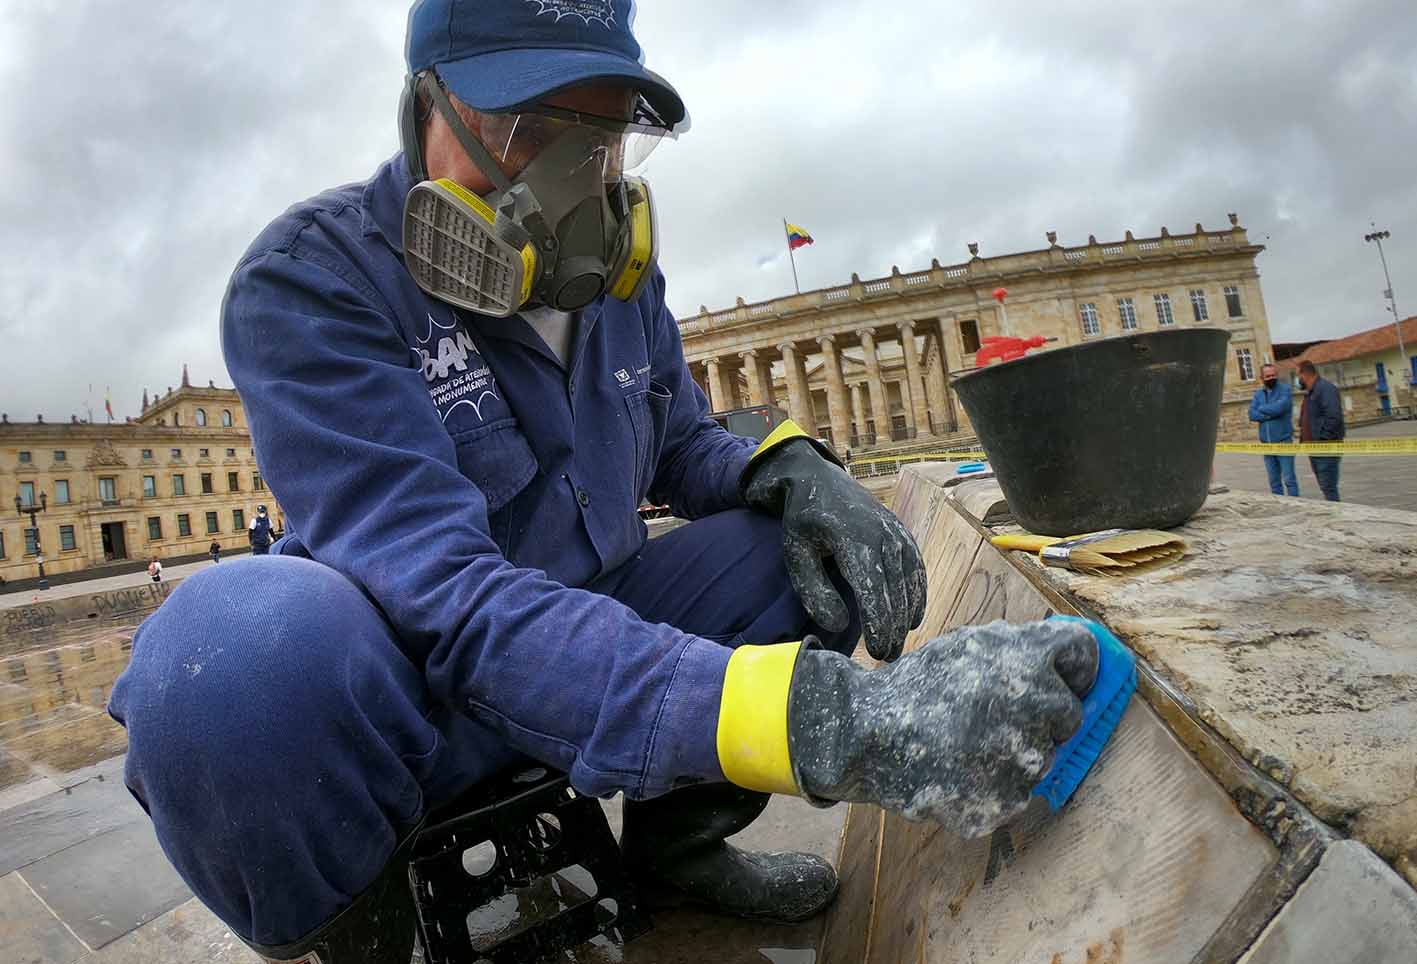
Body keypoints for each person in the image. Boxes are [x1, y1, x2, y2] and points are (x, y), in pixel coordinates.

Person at [107, 4, 1098, 961]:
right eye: (529, 127)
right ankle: (358, 940)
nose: (571, 177)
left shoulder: (621, 281)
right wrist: (833, 721)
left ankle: (675, 851)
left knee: (798, 552)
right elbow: (446, 598)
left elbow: (682, 441)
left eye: (601, 134)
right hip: (415, 699)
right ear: (427, 107)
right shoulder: (312, 280)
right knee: (229, 665)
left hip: (600, 623)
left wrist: (787, 468)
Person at [1297, 360, 1345, 501]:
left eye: (1298, 374)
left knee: (1329, 487)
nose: (1297, 379)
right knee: (1325, 487)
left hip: (1325, 449)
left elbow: (1334, 417)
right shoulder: (1311, 393)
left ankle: (1337, 518)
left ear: (1304, 374)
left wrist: (1322, 440)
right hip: (1315, 449)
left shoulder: (1325, 389)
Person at [1248, 362, 1298, 496]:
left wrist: (1262, 409)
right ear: (1262, 378)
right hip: (1266, 445)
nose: (1271, 378)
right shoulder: (1258, 394)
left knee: (1289, 479)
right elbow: (1252, 414)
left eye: (1273, 375)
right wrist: (1272, 412)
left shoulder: (1285, 390)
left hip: (1283, 442)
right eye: (1268, 376)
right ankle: (1280, 506)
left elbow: (1281, 408)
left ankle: (1296, 505)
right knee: (1274, 482)